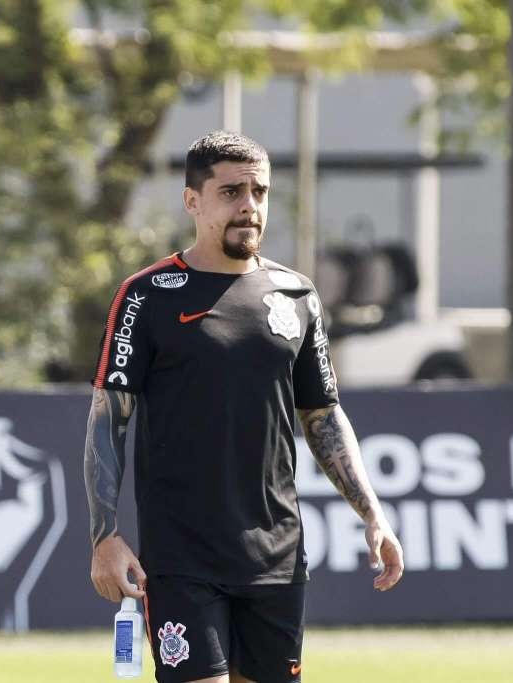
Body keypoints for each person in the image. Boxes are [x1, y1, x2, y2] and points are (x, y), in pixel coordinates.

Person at [84, 130, 404, 683]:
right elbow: (108, 419)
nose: (249, 205)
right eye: (231, 192)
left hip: (277, 557)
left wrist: (372, 514)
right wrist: (104, 536)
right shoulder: (147, 295)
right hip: (182, 559)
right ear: (193, 201)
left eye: (259, 192)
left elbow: (323, 415)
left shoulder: (296, 295)